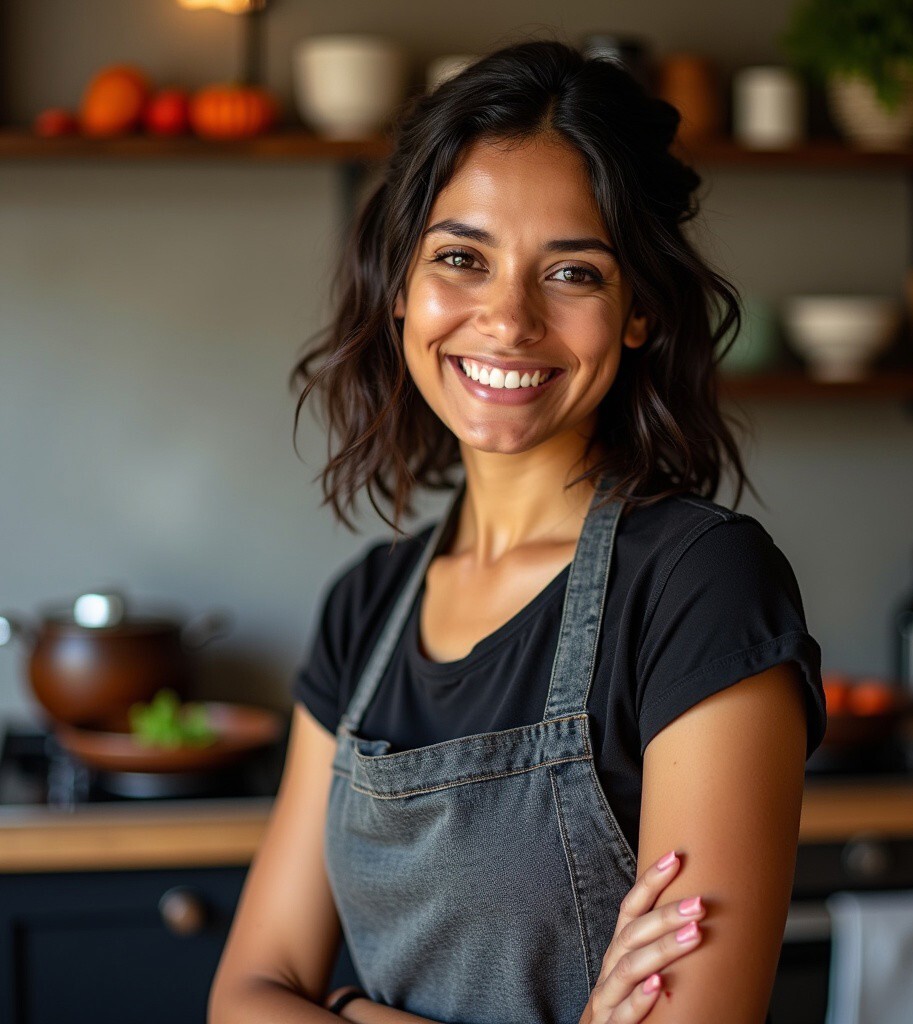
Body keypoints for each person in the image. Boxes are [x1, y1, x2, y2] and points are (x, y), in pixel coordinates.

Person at [209, 37, 826, 1024]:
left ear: (637, 311)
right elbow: (242, 996)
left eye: (572, 273)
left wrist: (351, 1010)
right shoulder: (365, 607)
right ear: (402, 285)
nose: (507, 320)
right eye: (460, 258)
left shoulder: (700, 587)